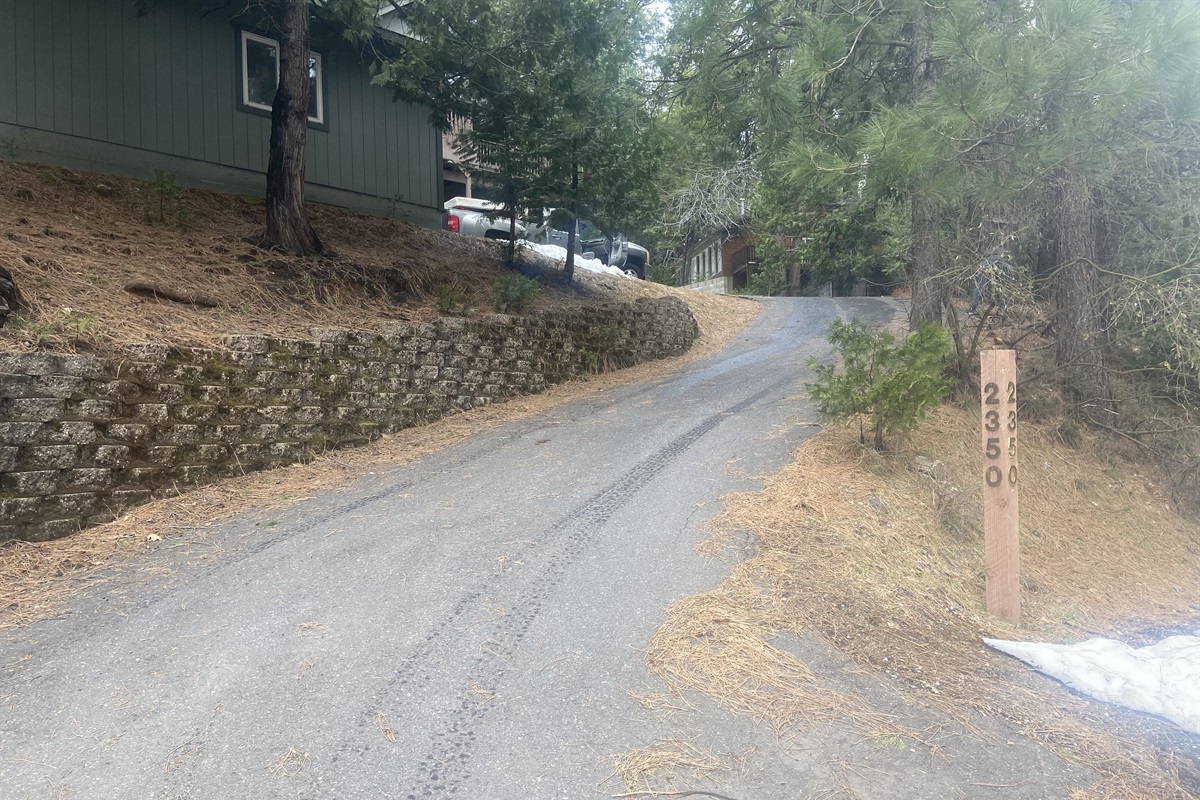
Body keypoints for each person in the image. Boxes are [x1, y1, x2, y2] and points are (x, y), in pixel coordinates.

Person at [969, 246, 1016, 316]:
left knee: (979, 285)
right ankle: (1001, 309)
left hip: (987, 263)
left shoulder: (986, 257)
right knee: (1002, 287)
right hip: (1001, 263)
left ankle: (972, 308)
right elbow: (1010, 272)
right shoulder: (1003, 259)